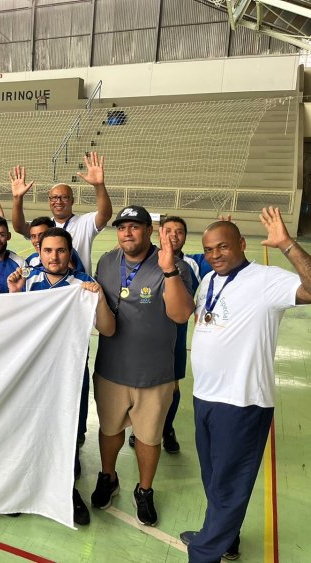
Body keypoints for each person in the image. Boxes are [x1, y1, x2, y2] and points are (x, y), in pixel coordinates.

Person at [180, 210, 311, 562]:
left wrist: (286, 244)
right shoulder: (209, 280)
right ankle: (224, 537)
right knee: (213, 478)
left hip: (242, 401)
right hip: (206, 396)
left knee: (229, 484)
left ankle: (205, 552)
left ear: (242, 243)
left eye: (223, 246)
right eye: (208, 249)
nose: (215, 255)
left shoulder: (266, 279)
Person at [90, 205, 194, 527]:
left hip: (154, 374)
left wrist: (168, 271)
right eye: (122, 227)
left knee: (149, 438)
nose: (127, 233)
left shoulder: (173, 265)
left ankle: (144, 490)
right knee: (109, 431)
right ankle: (109, 477)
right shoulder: (106, 262)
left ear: (149, 231)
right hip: (111, 369)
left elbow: (180, 315)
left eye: (135, 227)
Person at [7, 227, 116, 526]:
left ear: (70, 254)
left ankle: (67, 491)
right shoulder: (28, 282)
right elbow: (16, 328)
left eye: (60, 251)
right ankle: (23, 488)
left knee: (66, 433)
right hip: (34, 373)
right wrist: (14, 295)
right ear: (39, 253)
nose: (53, 257)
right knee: (29, 428)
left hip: (69, 374)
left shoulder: (83, 285)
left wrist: (101, 300)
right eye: (48, 251)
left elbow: (107, 330)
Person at [130, 216, 214, 453]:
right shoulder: (145, 260)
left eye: (179, 232)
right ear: (158, 233)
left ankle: (166, 427)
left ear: (186, 237)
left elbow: (224, 260)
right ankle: (139, 428)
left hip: (175, 334)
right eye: (168, 231)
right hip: (145, 334)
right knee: (142, 384)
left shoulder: (196, 263)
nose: (174, 236)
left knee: (172, 386)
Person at [10, 152, 112, 275]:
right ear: (49, 201)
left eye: (64, 197)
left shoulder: (84, 223)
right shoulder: (45, 226)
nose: (58, 201)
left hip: (78, 287)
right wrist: (17, 198)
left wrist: (99, 185)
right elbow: (19, 227)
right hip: (50, 286)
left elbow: (105, 214)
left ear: (72, 201)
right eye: (54, 197)